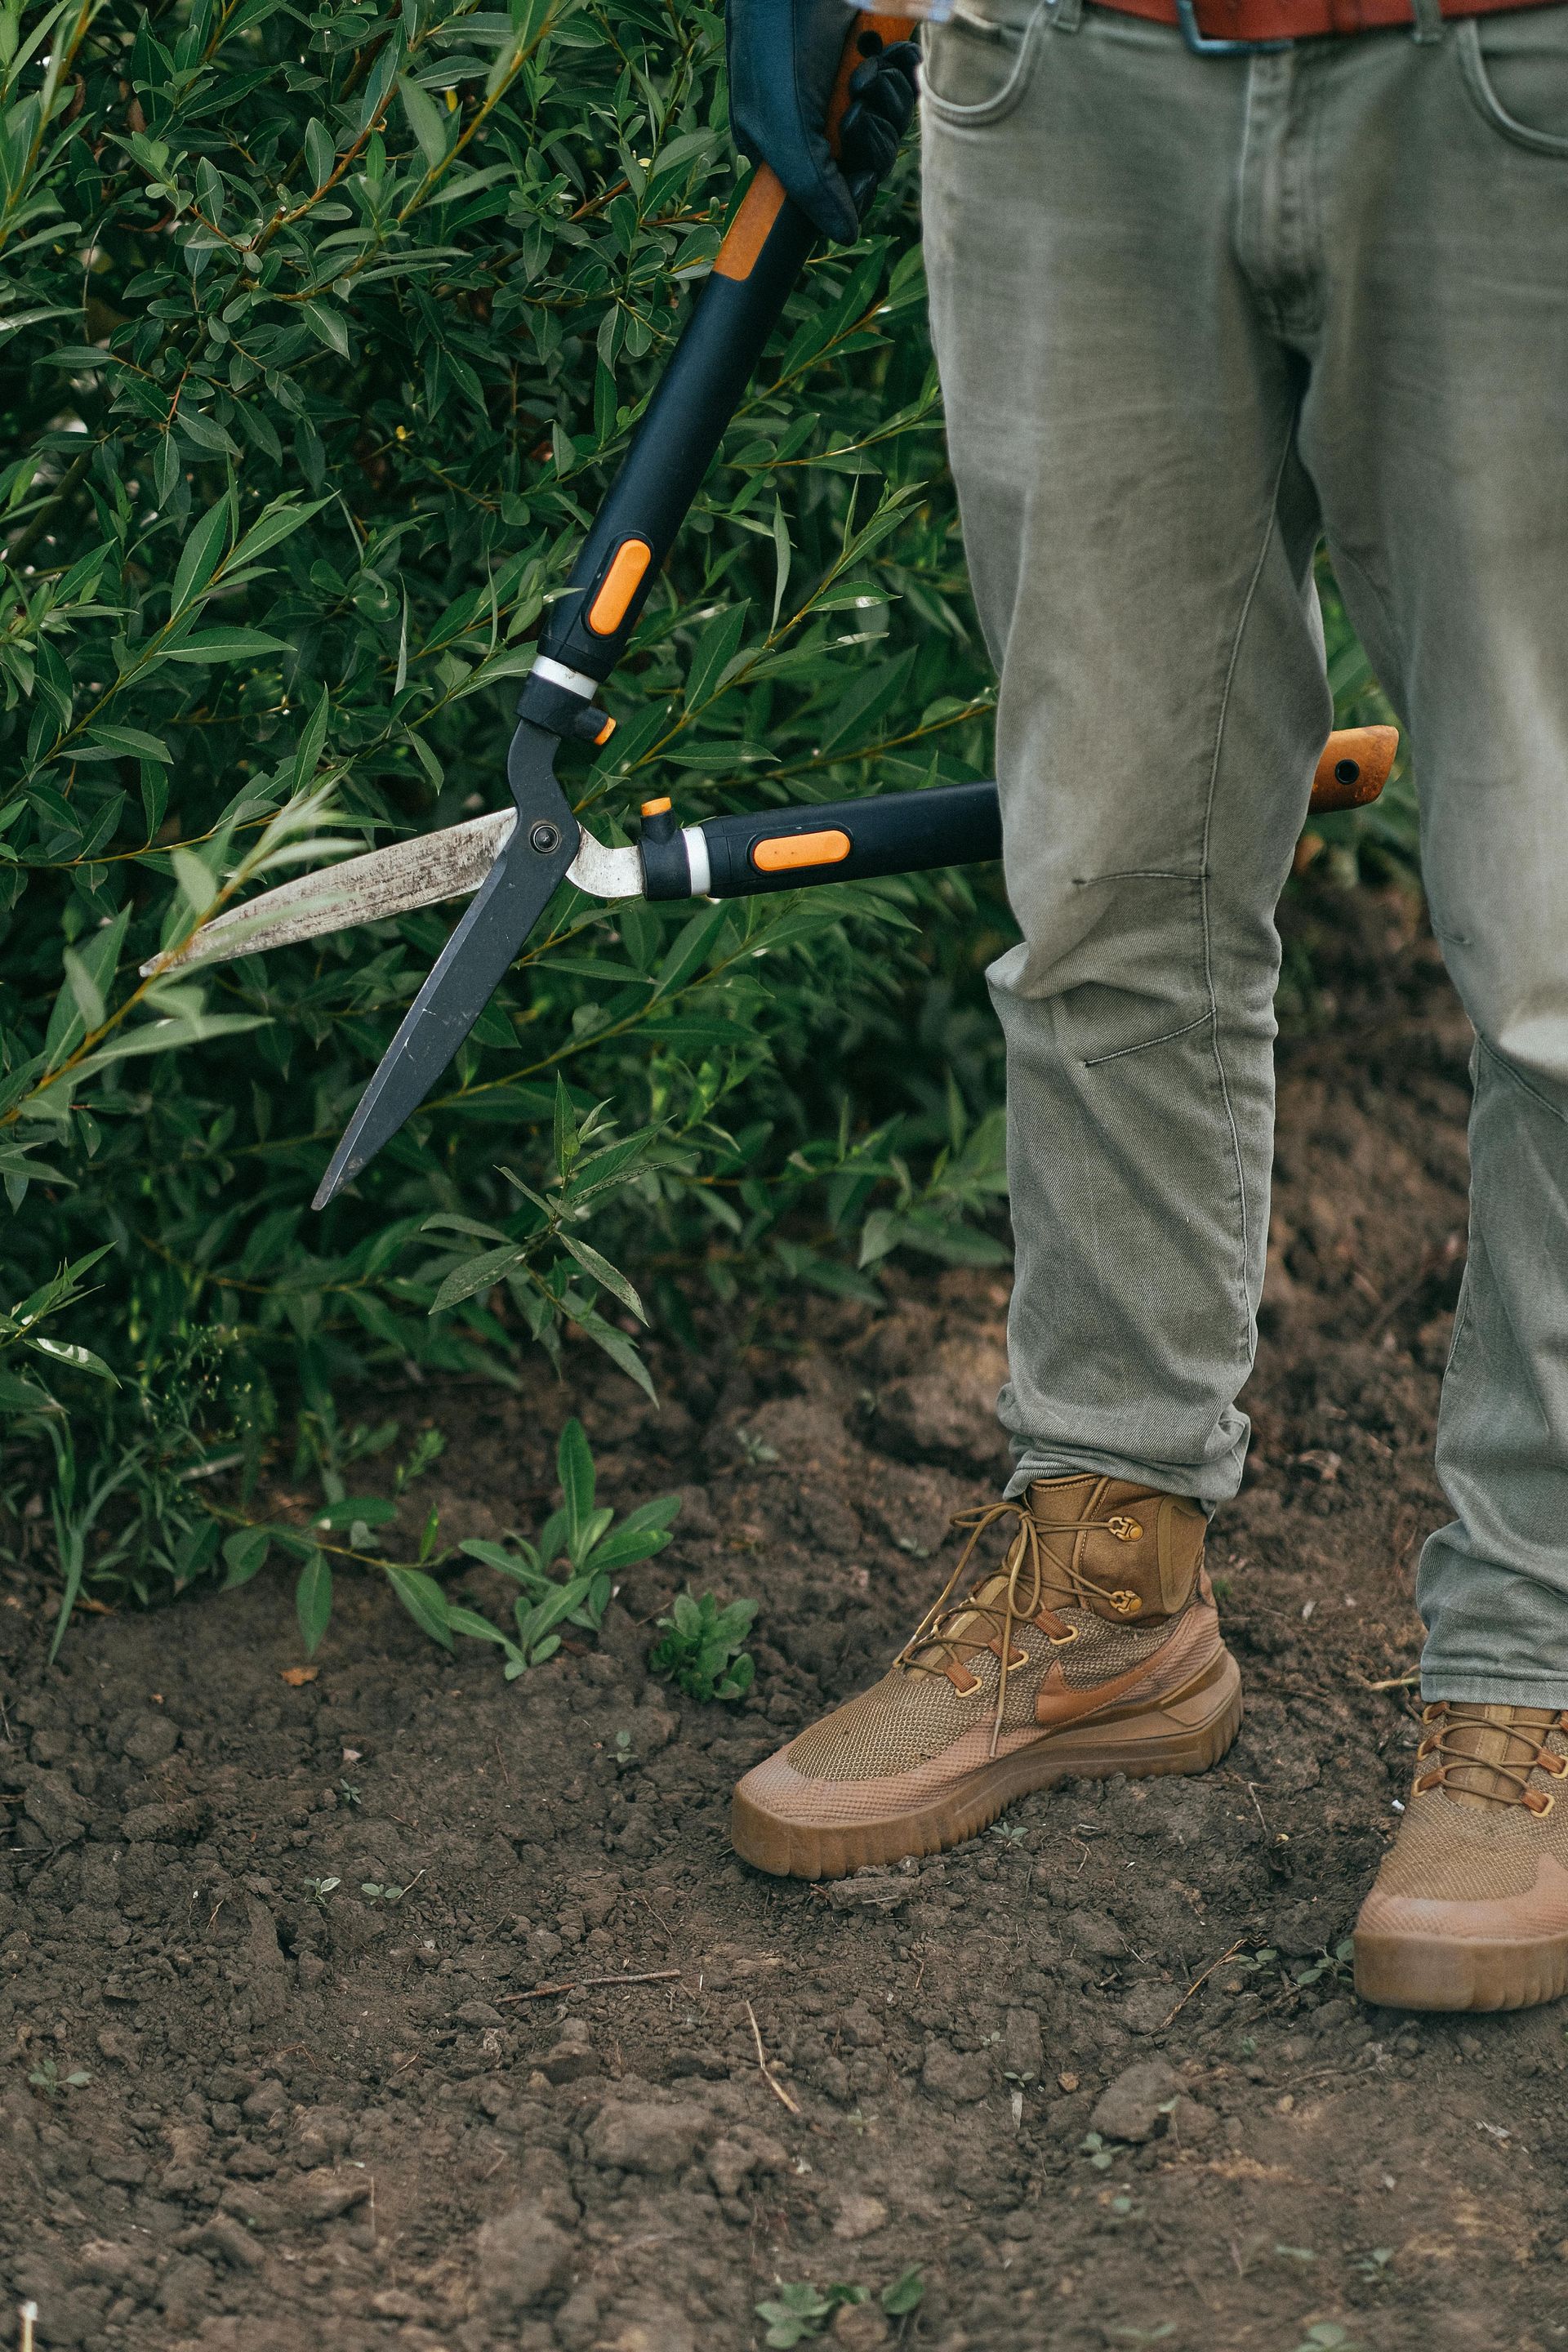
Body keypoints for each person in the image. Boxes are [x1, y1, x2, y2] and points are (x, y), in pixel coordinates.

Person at [721, 0, 1568, 2014]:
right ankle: (1105, 1577)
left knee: (1554, 951)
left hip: (1501, 71)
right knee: (1105, 878)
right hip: (1065, 66)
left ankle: (1534, 1663)